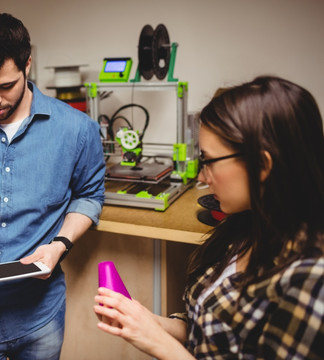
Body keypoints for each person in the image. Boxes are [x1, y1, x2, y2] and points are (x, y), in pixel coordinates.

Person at [93, 76, 324, 359]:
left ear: (262, 165)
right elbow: (207, 328)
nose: (202, 177)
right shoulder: (246, 229)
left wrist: (157, 343)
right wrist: (144, 320)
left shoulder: (310, 280)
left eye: (209, 161)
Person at [0, 9, 105, 360]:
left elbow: (90, 195)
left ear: (28, 65)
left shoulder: (76, 129)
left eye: (5, 86)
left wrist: (59, 245)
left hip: (39, 314)